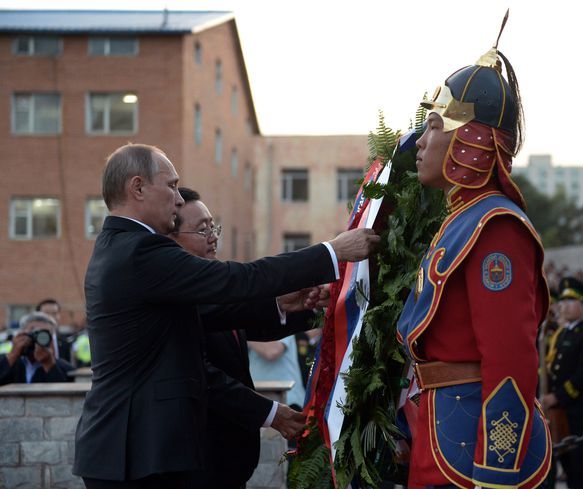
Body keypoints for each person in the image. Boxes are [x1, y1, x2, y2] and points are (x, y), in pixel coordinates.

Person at [72, 143, 378, 489]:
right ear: (138, 187)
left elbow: (213, 314)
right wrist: (331, 252)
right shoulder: (139, 251)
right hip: (136, 454)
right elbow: (234, 281)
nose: (177, 198)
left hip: (141, 450)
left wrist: (283, 303)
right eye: (171, 185)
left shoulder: (123, 247)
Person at [395, 20, 552, 488]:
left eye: (434, 126)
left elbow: (510, 361)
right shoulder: (462, 219)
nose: (419, 142)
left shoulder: (496, 228)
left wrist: (496, 475)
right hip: (441, 432)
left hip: (469, 454)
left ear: (473, 138)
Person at [170, 187, 323, 489]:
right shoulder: (176, 297)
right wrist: (271, 413)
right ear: (170, 239)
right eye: (202, 230)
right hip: (196, 461)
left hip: (229, 463)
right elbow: (202, 375)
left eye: (214, 227)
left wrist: (313, 305)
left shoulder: (211, 294)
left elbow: (254, 319)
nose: (213, 236)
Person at [543, 278, 583, 489]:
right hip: (560, 411)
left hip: (579, 410)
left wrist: (557, 396)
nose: (564, 305)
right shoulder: (564, 333)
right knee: (566, 465)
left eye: (571, 301)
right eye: (563, 301)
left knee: (580, 470)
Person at [0, 311, 74, 385]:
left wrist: (49, 364)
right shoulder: (8, 361)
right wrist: (13, 354)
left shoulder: (67, 369)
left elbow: (63, 393)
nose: (37, 339)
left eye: (44, 334)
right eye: (33, 332)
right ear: (22, 333)